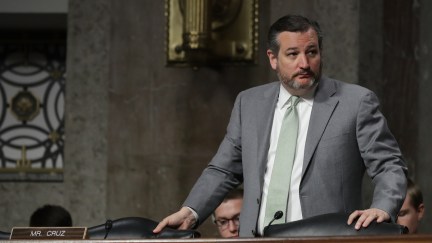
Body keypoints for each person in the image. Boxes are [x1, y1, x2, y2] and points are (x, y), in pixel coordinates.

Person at [153, 14, 407, 237]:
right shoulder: (249, 103)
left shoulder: (355, 102)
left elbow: (388, 164)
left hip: (327, 237)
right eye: (293, 54)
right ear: (273, 59)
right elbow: (223, 170)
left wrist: (383, 207)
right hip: (257, 237)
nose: (305, 64)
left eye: (312, 52)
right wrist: (191, 211)